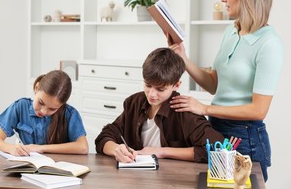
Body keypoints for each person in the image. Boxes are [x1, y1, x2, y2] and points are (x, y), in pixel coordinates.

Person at [169, 0, 284, 182]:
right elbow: (214, 84)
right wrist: (183, 58)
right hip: (215, 128)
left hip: (245, 135)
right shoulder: (231, 31)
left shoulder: (270, 43)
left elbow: (259, 110)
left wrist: (203, 107)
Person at [95, 47, 224, 163]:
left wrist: (161, 151)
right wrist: (116, 149)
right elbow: (104, 137)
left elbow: (217, 149)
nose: (151, 94)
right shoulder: (134, 103)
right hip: (135, 180)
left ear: (176, 85)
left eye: (160, 89)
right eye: (148, 85)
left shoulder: (184, 110)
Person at [0, 70, 88, 156]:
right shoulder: (20, 107)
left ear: (61, 105)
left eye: (52, 109)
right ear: (36, 88)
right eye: (41, 102)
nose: (43, 111)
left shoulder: (70, 114)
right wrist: (11, 148)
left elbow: (83, 147)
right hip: (28, 168)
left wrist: (40, 148)